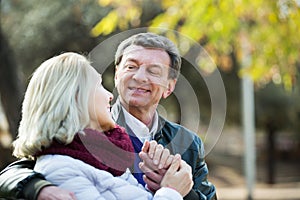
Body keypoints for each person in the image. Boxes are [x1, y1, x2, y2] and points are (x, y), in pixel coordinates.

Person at [0, 32, 217, 199]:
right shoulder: (88, 132)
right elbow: (23, 168)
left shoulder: (188, 143)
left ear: (169, 87)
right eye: (131, 66)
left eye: (153, 71)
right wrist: (37, 187)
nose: (140, 77)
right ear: (116, 76)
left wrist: (183, 189)